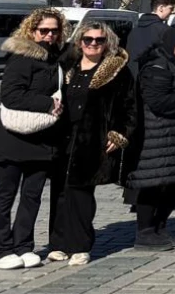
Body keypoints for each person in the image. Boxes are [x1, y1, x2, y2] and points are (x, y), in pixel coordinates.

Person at [46, 19, 136, 266]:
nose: (93, 44)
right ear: (80, 41)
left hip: (92, 140)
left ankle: (80, 245)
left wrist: (119, 134)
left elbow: (130, 107)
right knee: (59, 191)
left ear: (107, 43)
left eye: (99, 40)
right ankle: (58, 243)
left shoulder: (117, 70)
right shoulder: (68, 66)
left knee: (81, 193)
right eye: (88, 39)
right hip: (63, 137)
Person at [0, 7, 67, 270]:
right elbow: (10, 95)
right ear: (31, 31)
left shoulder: (56, 58)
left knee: (32, 196)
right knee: (5, 195)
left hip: (42, 139)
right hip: (12, 138)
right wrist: (47, 103)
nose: (49, 35)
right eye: (44, 30)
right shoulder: (21, 57)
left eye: (54, 31)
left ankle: (23, 246)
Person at [126, 25, 175, 251]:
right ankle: (145, 232)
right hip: (157, 136)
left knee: (173, 185)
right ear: (170, 43)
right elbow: (157, 101)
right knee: (152, 184)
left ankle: (158, 226)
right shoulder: (157, 66)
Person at [126, 0, 175, 74]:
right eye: (171, 9)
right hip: (154, 77)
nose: (172, 12)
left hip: (131, 75)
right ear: (161, 8)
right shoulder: (166, 30)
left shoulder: (134, 29)